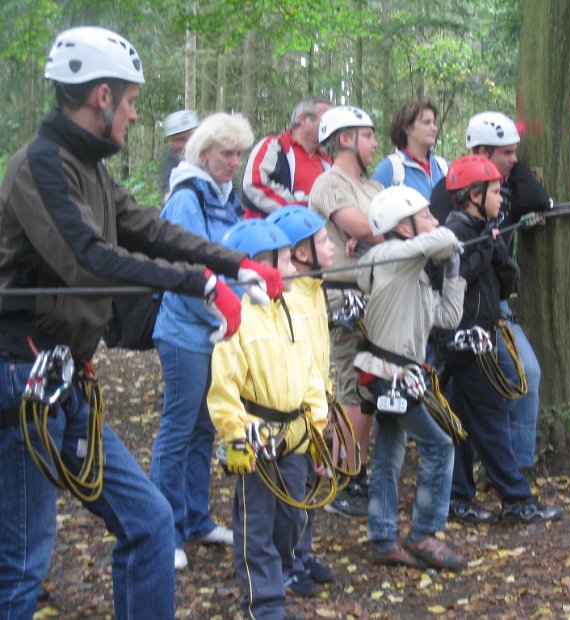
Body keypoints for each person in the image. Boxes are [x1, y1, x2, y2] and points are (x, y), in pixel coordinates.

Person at [0, 27, 282, 620]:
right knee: (23, 562)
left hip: (65, 379)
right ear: (101, 96)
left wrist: (236, 263)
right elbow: (85, 258)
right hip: (22, 376)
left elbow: (152, 231)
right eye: (129, 101)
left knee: (151, 523)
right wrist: (199, 283)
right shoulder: (41, 167)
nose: (133, 115)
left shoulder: (91, 169)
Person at [208, 218, 327, 620]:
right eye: (285, 261)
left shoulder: (287, 311)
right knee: (257, 524)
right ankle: (265, 604)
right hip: (257, 442)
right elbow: (223, 384)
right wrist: (237, 433)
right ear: (261, 263)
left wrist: (316, 424)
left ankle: (278, 579)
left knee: (292, 517)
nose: (293, 267)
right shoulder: (237, 316)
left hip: (293, 438)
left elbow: (307, 367)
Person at [150, 112, 254, 570]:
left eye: (238, 154)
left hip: (218, 332)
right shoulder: (186, 198)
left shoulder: (226, 197)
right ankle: (162, 532)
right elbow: (187, 273)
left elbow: (233, 259)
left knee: (203, 428)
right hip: (186, 333)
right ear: (204, 152)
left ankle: (195, 519)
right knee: (177, 430)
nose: (234, 161)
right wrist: (223, 315)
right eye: (226, 153)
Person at [439, 154, 563, 525]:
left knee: (461, 421)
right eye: (494, 191)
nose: (502, 198)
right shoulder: (454, 234)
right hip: (465, 339)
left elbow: (509, 283)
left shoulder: (485, 229)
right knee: (491, 422)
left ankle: (459, 495)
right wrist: (486, 247)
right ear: (473, 194)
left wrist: (498, 250)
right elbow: (455, 279)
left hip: (483, 333)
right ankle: (516, 498)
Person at [355, 186, 465, 569]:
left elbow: (448, 318)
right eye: (426, 216)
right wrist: (449, 238)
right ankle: (423, 535)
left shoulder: (411, 274)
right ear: (403, 227)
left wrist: (453, 272)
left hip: (397, 375)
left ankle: (384, 538)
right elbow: (445, 237)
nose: (435, 222)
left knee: (388, 452)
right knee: (439, 447)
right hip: (387, 373)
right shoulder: (386, 256)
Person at [430, 111, 547, 471]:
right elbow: (448, 266)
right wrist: (490, 247)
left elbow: (540, 201)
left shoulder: (503, 188)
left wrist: (511, 169)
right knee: (458, 388)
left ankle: (516, 464)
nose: (515, 160)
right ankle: (474, 469)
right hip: (458, 314)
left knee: (526, 373)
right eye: (506, 153)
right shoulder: (447, 196)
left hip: (493, 305)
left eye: (516, 152)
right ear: (480, 150)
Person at [309, 105, 383, 517]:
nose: (374, 144)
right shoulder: (329, 183)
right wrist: (375, 231)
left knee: (369, 388)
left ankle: (356, 471)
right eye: (367, 135)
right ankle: (344, 477)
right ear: (345, 139)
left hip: (377, 295)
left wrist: (379, 231)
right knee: (349, 387)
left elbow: (407, 223)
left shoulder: (372, 188)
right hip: (343, 296)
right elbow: (360, 226)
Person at [265, 206, 337, 597]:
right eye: (323, 240)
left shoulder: (315, 290)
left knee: (311, 486)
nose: (331, 245)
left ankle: (300, 554)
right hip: (294, 415)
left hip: (316, 409)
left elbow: (320, 352)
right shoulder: (290, 299)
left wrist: (327, 398)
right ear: (303, 252)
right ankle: (284, 564)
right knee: (290, 492)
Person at [242, 96, 332, 217]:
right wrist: (309, 206)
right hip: (270, 233)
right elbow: (254, 186)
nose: (333, 124)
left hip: (316, 234)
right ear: (304, 119)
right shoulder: (274, 147)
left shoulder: (326, 162)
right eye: (328, 118)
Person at [371, 99, 448, 198]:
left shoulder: (443, 166)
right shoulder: (390, 168)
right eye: (427, 123)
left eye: (434, 123)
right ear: (407, 127)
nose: (434, 128)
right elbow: (372, 208)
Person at [159, 108, 200, 196]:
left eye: (188, 138)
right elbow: (169, 194)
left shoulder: (212, 158)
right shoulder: (171, 164)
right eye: (178, 140)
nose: (184, 145)